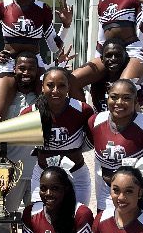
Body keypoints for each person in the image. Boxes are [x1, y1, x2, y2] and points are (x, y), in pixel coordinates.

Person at [87, 79, 143, 216]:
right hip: (108, 190)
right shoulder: (95, 121)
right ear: (107, 98)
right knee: (107, 230)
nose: (119, 103)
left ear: (136, 102)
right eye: (114, 97)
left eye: (126, 98)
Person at [0, 52, 41, 233]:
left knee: (39, 223)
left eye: (30, 68)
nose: (25, 73)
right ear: (14, 70)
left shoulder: (44, 96)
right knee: (5, 223)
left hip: (39, 172)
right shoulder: (5, 97)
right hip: (11, 171)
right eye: (21, 68)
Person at [20, 68, 93, 204]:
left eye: (61, 86)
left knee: (77, 220)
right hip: (43, 176)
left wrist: (73, 149)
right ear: (42, 87)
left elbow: (91, 141)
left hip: (77, 176)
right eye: (50, 85)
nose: (55, 90)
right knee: (41, 221)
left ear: (68, 88)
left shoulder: (83, 110)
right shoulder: (29, 113)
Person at [88, 40, 143, 113]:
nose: (113, 59)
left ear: (126, 58)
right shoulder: (94, 80)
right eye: (109, 55)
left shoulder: (141, 81)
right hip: (102, 125)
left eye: (118, 55)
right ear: (102, 59)